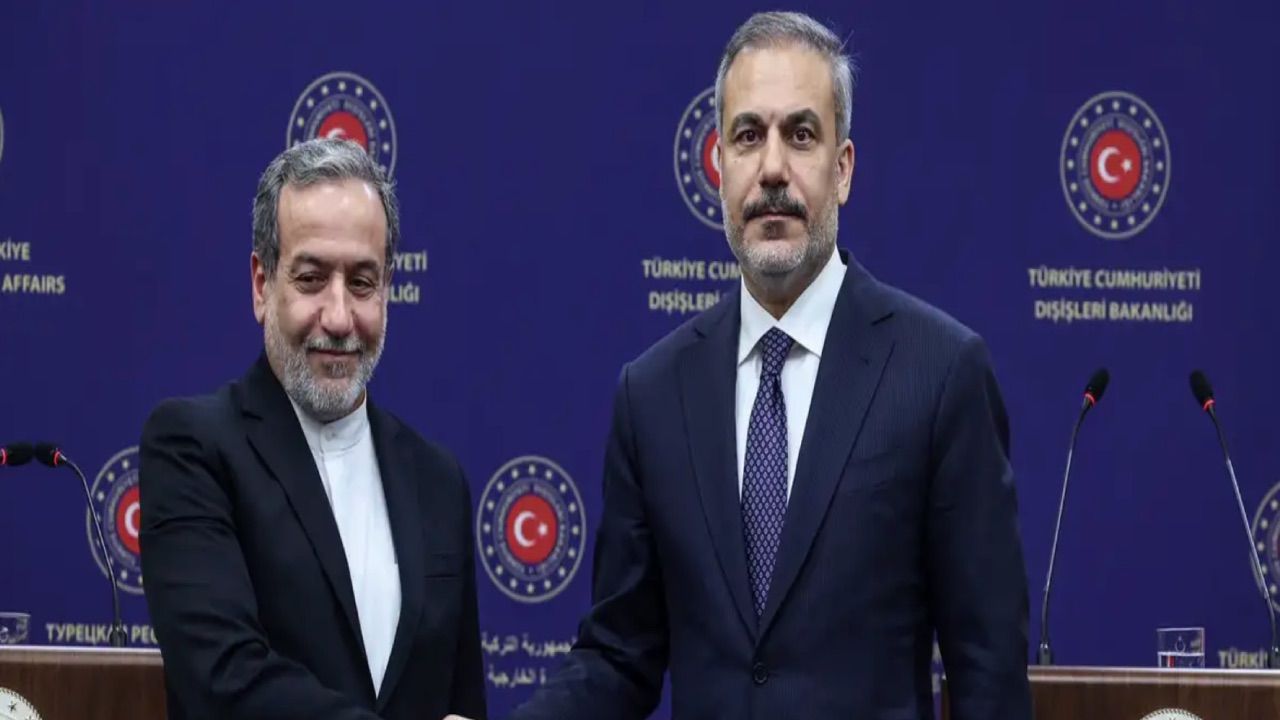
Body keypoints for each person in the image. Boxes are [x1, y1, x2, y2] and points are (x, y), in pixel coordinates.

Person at [481, 11, 1033, 720]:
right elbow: (621, 653)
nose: (772, 168)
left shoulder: (940, 373)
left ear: (843, 169)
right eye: (748, 136)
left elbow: (988, 674)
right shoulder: (653, 394)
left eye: (800, 135)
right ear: (720, 168)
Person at [139, 138, 486, 720]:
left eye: (362, 282)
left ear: (387, 291)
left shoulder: (437, 479)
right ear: (262, 284)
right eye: (311, 278)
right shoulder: (193, 449)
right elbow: (224, 679)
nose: (339, 317)